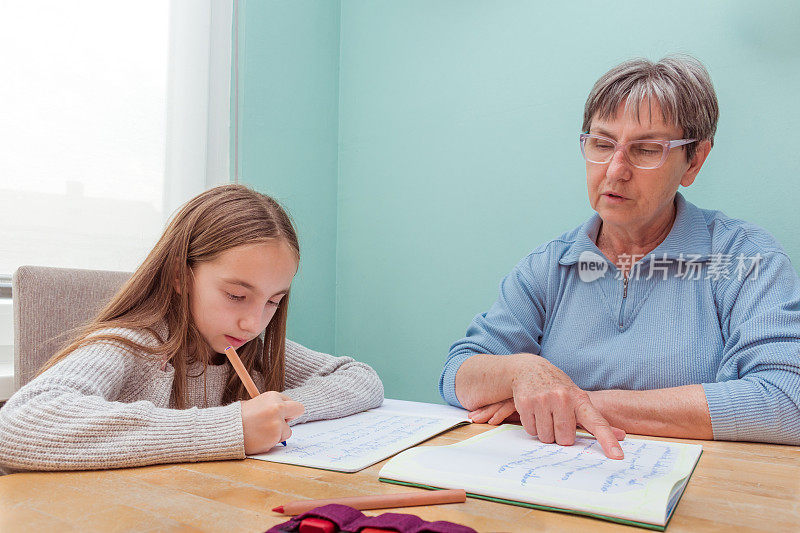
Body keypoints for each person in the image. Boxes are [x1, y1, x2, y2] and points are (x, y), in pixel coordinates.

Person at [439, 56, 800, 459]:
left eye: (646, 149)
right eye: (602, 143)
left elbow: (786, 401)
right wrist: (520, 372)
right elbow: (459, 374)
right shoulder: (549, 265)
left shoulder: (744, 257)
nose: (615, 169)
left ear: (694, 160)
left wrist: (578, 403)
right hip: (554, 485)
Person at [0, 185, 383, 474]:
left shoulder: (251, 349)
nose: (253, 323)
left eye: (273, 301)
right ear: (182, 278)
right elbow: (19, 423)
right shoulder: (135, 346)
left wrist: (279, 413)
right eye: (236, 295)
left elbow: (360, 378)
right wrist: (232, 427)